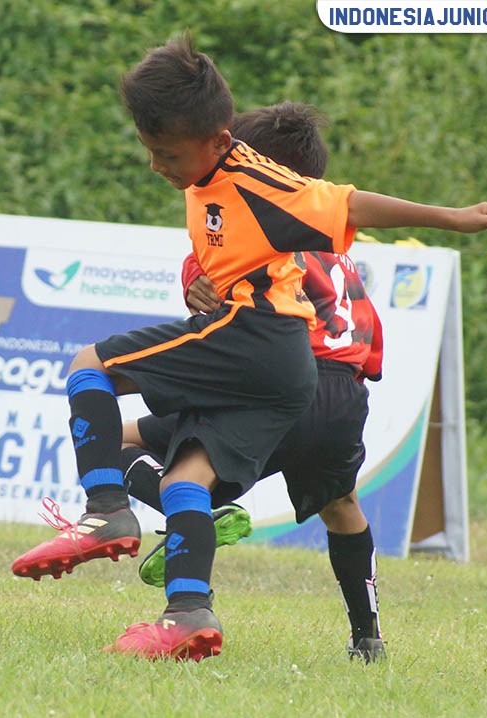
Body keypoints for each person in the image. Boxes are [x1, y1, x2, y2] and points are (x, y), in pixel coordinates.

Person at [11, 34, 487, 663]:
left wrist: (454, 216)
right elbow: (364, 343)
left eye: (166, 154)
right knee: (237, 486)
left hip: (266, 348)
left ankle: (110, 510)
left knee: (96, 377)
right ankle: (209, 614)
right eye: (151, 150)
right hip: (336, 390)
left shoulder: (264, 188)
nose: (157, 166)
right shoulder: (233, 197)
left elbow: (349, 204)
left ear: (229, 144)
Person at [120, 101, 390, 663]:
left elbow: (231, 302)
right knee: (342, 505)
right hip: (345, 395)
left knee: (121, 440)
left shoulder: (257, 226)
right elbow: (368, 340)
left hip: (280, 383)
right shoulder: (338, 248)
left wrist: (193, 280)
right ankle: (367, 637)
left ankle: (191, 542)